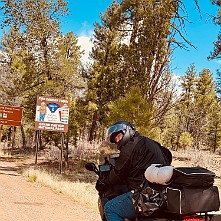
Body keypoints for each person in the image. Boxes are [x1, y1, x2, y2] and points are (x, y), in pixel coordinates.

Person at [96, 120, 171, 221]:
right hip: (163, 194)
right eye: (115, 139)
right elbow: (168, 154)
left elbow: (117, 173)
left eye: (118, 136)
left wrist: (103, 183)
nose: (117, 140)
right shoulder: (150, 142)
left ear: (127, 131)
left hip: (145, 195)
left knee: (110, 208)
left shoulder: (129, 147)